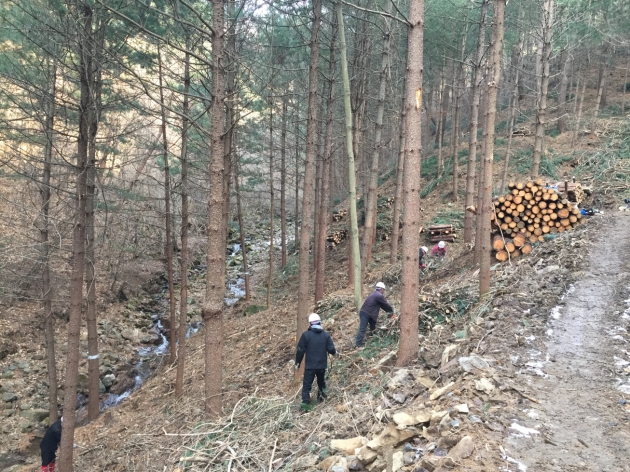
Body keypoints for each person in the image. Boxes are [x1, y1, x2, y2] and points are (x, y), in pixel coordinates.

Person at [295, 313, 337, 409]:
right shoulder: (325, 335)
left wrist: (297, 363)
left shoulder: (306, 335)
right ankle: (322, 401)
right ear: (320, 322)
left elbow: (300, 350)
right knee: (321, 383)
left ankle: (305, 405)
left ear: (310, 323)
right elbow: (331, 349)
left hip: (310, 366)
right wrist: (335, 353)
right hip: (322, 366)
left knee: (306, 386)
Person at [355, 282, 394, 348]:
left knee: (372, 327)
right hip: (366, 313)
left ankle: (372, 340)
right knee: (362, 329)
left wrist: (390, 313)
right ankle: (358, 345)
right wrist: (392, 311)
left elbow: (383, 306)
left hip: (369, 314)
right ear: (381, 289)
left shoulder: (374, 294)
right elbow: (386, 305)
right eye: (383, 290)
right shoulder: (378, 295)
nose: (383, 291)